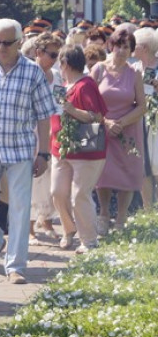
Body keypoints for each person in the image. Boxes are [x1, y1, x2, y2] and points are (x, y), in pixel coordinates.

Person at [0, 19, 58, 285]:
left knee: (20, 208)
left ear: (19, 43)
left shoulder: (33, 72)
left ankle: (15, 266)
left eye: (6, 43)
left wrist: (44, 153)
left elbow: (45, 115)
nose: (1, 48)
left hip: (20, 149)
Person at [50, 45, 107, 256]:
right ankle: (69, 228)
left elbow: (97, 116)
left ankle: (89, 240)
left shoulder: (86, 85)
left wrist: (72, 110)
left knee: (80, 195)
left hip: (85, 150)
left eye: (59, 61)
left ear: (65, 63)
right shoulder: (64, 85)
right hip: (61, 148)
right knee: (57, 192)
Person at [92, 24, 146, 233]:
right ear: (111, 46)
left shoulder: (135, 73)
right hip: (103, 128)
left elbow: (142, 106)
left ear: (131, 51)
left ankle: (121, 217)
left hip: (128, 130)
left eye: (126, 47)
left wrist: (120, 123)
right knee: (103, 173)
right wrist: (107, 123)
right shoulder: (98, 69)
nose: (121, 51)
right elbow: (90, 102)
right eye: (118, 46)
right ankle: (104, 214)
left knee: (127, 173)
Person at [30, 32, 65, 239]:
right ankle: (29, 229)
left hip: (53, 131)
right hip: (32, 131)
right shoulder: (29, 72)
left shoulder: (57, 75)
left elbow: (60, 103)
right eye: (51, 55)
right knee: (33, 180)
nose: (55, 59)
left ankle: (47, 221)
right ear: (38, 52)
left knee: (50, 179)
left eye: (57, 55)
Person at [133, 26, 158, 209]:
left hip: (156, 122)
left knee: (157, 163)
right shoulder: (134, 68)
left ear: (145, 47)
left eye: (135, 44)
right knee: (143, 166)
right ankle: (148, 209)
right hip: (138, 121)